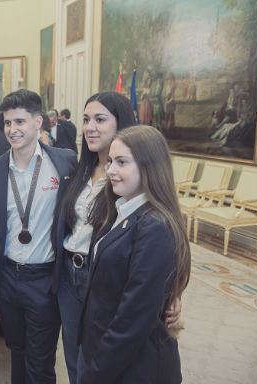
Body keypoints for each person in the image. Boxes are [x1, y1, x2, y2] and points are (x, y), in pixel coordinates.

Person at [52, 92, 182, 384]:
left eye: (100, 119)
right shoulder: (78, 168)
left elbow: (154, 266)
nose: (90, 127)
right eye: (86, 119)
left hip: (103, 277)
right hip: (70, 276)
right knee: (79, 352)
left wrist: (171, 294)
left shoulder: (141, 205)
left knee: (109, 354)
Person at [77, 125, 191, 384]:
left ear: (149, 166)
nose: (111, 171)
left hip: (134, 367)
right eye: (110, 162)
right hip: (108, 352)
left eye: (121, 162)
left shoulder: (154, 227)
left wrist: (95, 373)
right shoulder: (121, 209)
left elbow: (133, 318)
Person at [0, 89, 77, 384]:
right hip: (8, 278)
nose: (13, 130)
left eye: (20, 121)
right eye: (8, 123)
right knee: (16, 350)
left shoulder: (65, 163)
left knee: (40, 360)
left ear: (39, 122)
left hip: (45, 279)